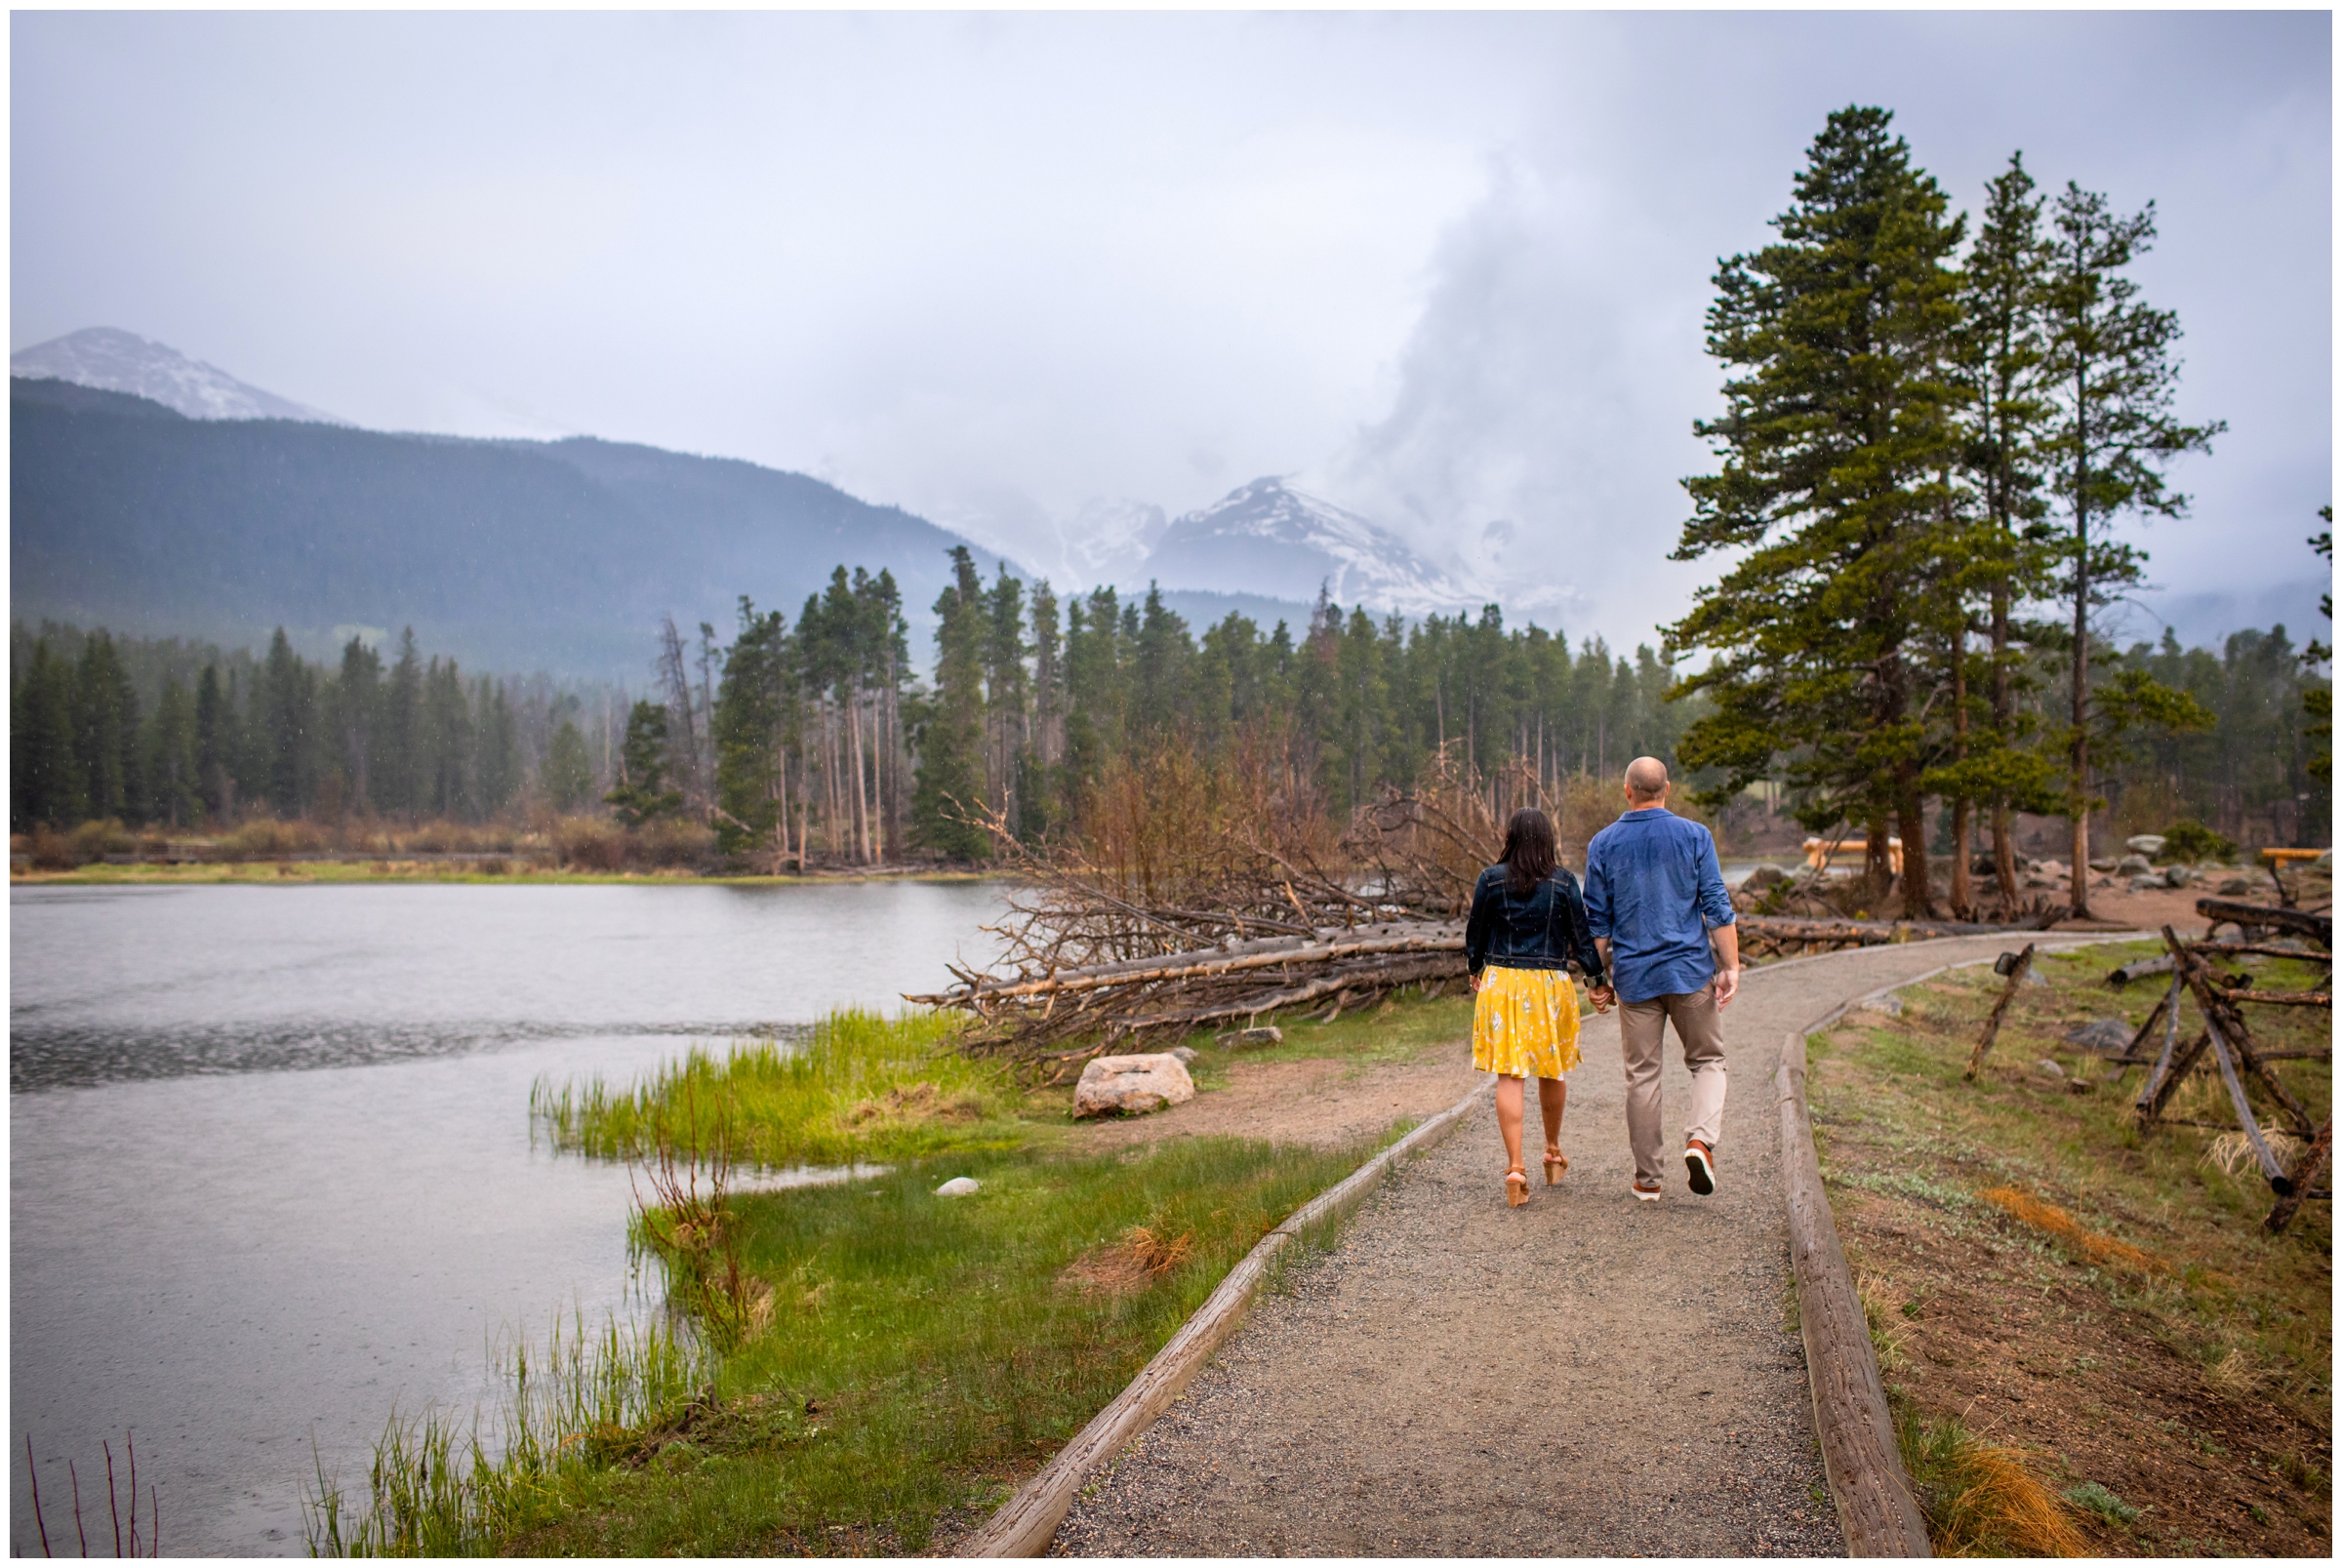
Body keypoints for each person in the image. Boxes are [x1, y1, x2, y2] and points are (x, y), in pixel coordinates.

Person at [1583, 756, 1739, 1202]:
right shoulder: (1695, 836)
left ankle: (1647, 1180)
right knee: (1708, 1061)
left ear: (1627, 791)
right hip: (1690, 972)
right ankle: (1699, 1141)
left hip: (1634, 977)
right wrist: (1731, 966)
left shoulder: (1603, 844)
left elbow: (1598, 922)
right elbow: (1715, 904)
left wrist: (1596, 979)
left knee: (1642, 1076)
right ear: (1666, 789)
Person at [1465, 807, 1612, 1207]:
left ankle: (1516, 1168)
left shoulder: (1490, 880)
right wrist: (1598, 982)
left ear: (1509, 837)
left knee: (1510, 1075)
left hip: (1502, 983)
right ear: (1548, 840)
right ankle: (1551, 1149)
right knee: (1552, 1068)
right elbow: (1582, 941)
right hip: (1549, 985)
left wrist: (1476, 968)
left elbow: (1474, 935)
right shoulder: (1564, 883)